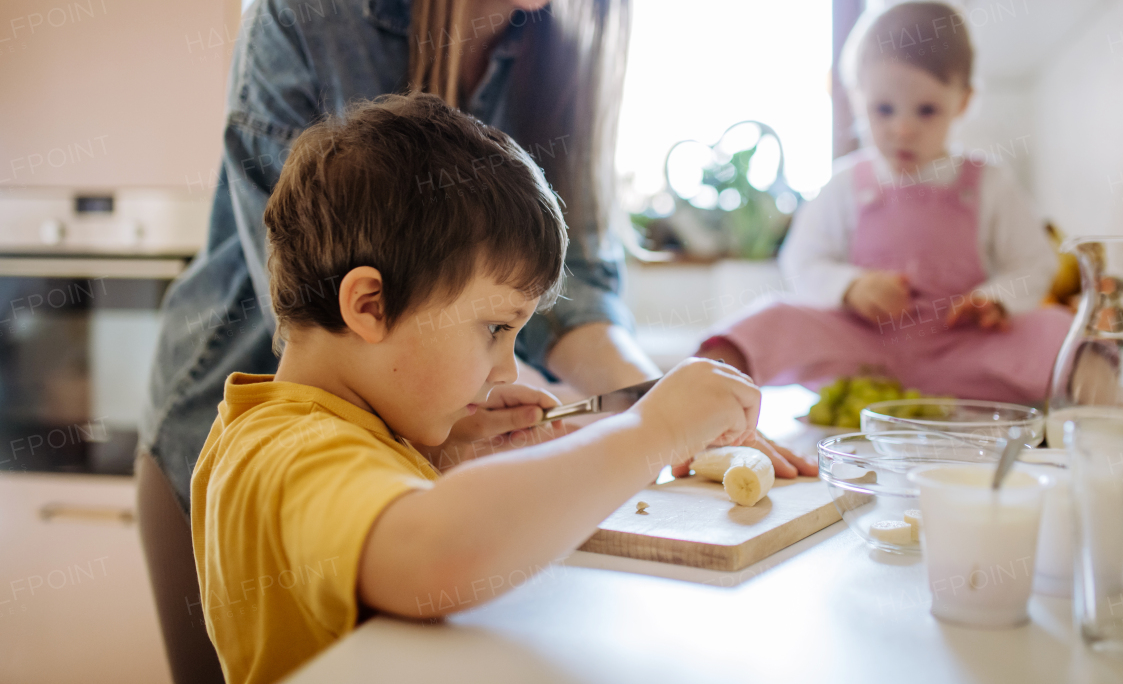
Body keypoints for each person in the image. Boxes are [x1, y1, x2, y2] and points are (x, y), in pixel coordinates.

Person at [145, 0, 812, 515]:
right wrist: (632, 427)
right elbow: (305, 299)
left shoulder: (563, 67)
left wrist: (661, 404)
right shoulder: (305, 17)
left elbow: (574, 287)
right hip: (227, 450)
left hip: (413, 456)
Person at [191, 93, 760, 684]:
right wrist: (652, 430)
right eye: (495, 328)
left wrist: (442, 454)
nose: (507, 370)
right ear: (370, 304)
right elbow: (433, 555)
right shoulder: (289, 449)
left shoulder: (309, 427)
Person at [696, 1, 1074, 403]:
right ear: (858, 99)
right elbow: (802, 261)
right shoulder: (846, 183)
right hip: (861, 352)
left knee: (1058, 329)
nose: (903, 129)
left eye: (927, 110)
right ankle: (699, 399)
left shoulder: (989, 183)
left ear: (962, 101)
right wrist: (850, 286)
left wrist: (998, 299)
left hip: (965, 352)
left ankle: (1098, 417)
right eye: (883, 109)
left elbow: (1035, 263)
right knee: (771, 317)